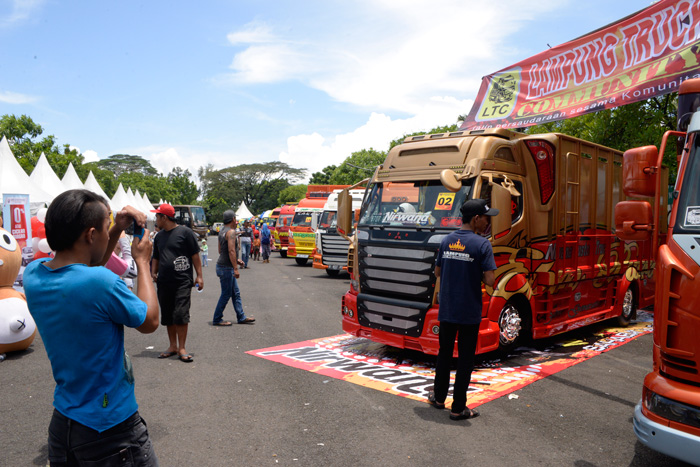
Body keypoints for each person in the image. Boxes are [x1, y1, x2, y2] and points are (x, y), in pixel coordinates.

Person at [23, 189, 159, 466]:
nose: (111, 234)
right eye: (106, 229)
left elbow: (84, 265)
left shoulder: (34, 274)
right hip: (110, 429)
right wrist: (143, 263)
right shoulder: (100, 282)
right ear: (90, 234)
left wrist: (116, 225)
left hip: (65, 423)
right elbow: (150, 321)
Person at [428, 199, 498, 421]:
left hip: (448, 308)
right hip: (469, 311)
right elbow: (490, 280)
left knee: (444, 354)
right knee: (465, 358)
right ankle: (458, 408)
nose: (488, 222)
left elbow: (438, 272)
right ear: (476, 218)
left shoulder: (447, 240)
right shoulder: (482, 245)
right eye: (486, 217)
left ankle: (439, 398)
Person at [151, 203, 203, 363]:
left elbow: (195, 255)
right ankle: (172, 346)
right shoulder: (159, 236)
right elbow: (156, 256)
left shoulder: (185, 233)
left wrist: (199, 276)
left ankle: (182, 347)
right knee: (167, 314)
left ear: (164, 217)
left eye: (157, 216)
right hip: (164, 282)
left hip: (182, 281)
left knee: (180, 314)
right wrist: (153, 271)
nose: (155, 219)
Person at [212, 210, 255, 326]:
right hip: (226, 268)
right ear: (233, 219)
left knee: (235, 293)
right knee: (226, 294)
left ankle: (241, 316)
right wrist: (235, 268)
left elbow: (221, 250)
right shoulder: (231, 232)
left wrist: (235, 260)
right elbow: (231, 250)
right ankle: (217, 318)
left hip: (223, 266)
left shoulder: (221, 231)